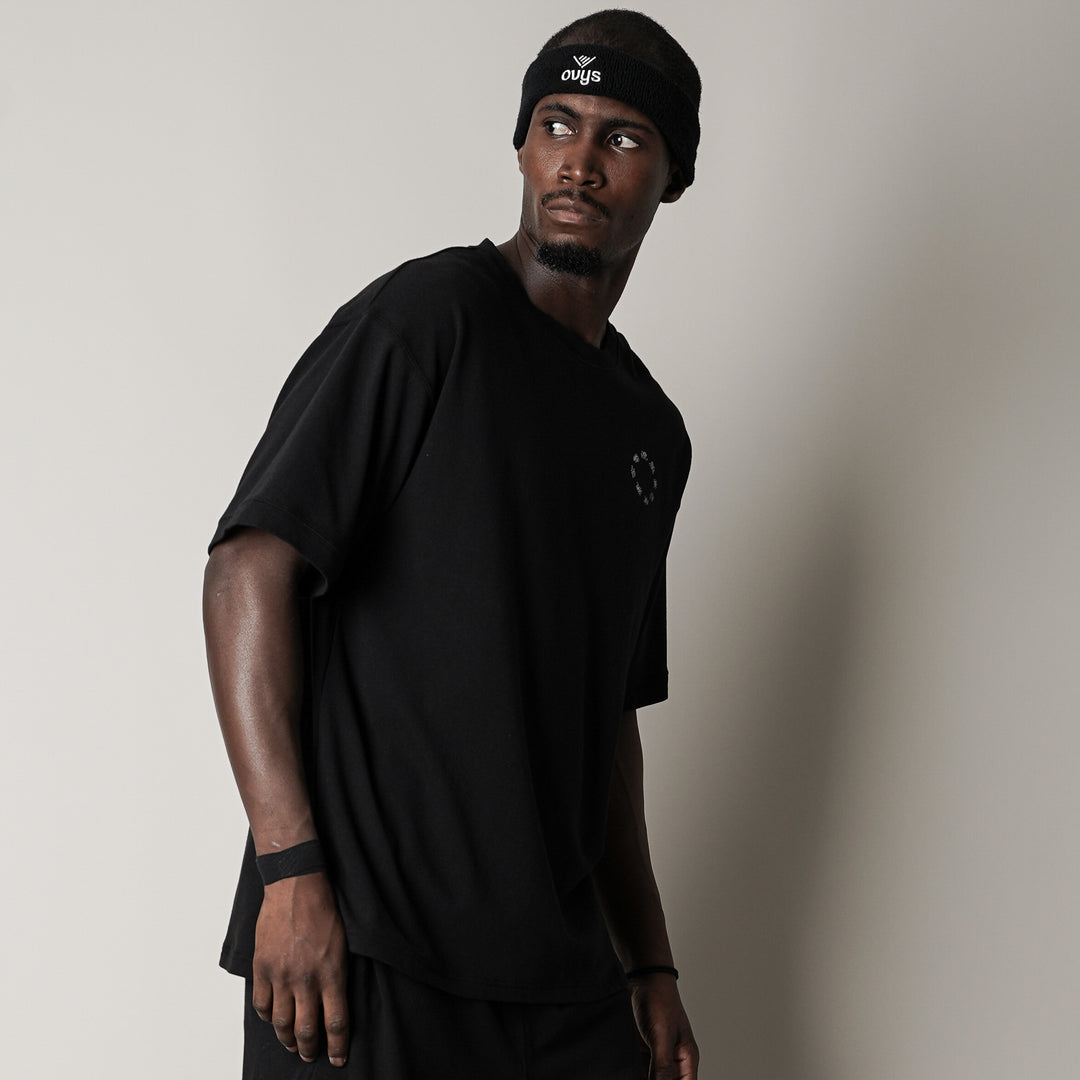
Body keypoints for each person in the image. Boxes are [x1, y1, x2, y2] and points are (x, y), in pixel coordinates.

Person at [203, 9, 701, 1078]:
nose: (578, 161)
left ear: (674, 176)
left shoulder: (652, 434)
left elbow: (609, 716)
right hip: (363, 952)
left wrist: (649, 962)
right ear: (521, 144)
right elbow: (249, 568)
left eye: (621, 137)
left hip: (558, 979)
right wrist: (290, 872)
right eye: (556, 123)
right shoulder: (427, 321)